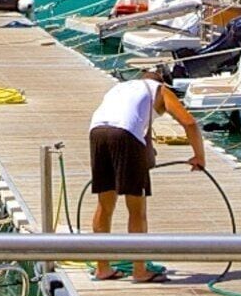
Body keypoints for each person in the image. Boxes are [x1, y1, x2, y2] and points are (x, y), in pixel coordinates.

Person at [84, 71, 205, 282]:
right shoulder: (160, 89)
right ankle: (140, 271)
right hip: (124, 135)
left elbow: (137, 128)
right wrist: (199, 157)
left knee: (105, 205)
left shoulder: (123, 88)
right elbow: (189, 123)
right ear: (160, 82)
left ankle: (102, 268)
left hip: (97, 132)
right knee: (136, 209)